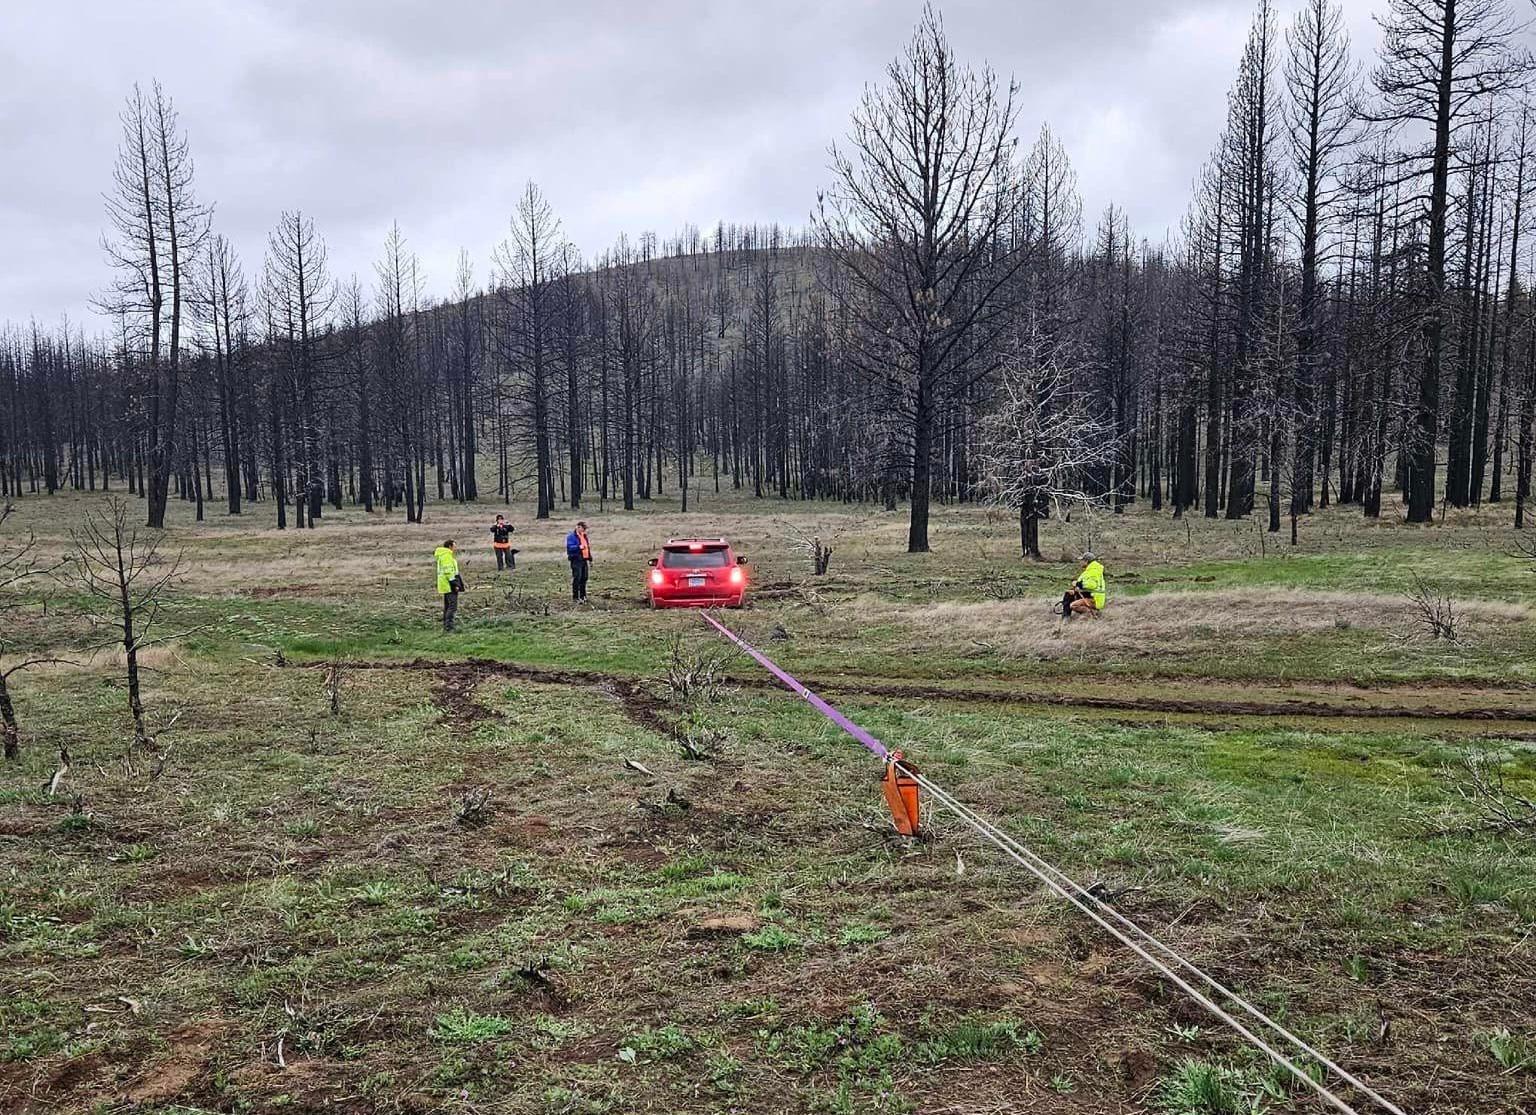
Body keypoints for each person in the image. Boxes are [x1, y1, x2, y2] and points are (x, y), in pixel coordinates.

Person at [1062, 551, 1106, 620]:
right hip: (1091, 594)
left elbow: (1092, 585)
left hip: (1094, 598)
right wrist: (1076, 588)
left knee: (1073, 605)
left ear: (1086, 561)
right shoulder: (1091, 570)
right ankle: (1066, 617)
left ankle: (1090, 614)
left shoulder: (1093, 571)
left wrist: (1078, 584)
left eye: (1082, 560)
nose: (1080, 562)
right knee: (1069, 593)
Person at [435, 539, 463, 632]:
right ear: (450, 546)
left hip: (445, 584)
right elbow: (448, 571)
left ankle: (446, 626)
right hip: (449, 584)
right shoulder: (446, 556)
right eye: (454, 546)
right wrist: (455, 583)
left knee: (447, 606)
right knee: (452, 606)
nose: (455, 548)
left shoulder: (444, 555)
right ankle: (449, 627)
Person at [565, 521, 591, 603]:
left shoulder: (584, 536)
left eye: (584, 529)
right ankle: (576, 597)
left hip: (584, 559)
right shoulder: (571, 537)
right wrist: (579, 547)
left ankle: (583, 596)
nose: (584, 530)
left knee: (584, 578)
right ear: (578, 527)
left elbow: (587, 547)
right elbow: (570, 547)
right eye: (583, 528)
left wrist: (590, 558)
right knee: (577, 577)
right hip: (576, 559)